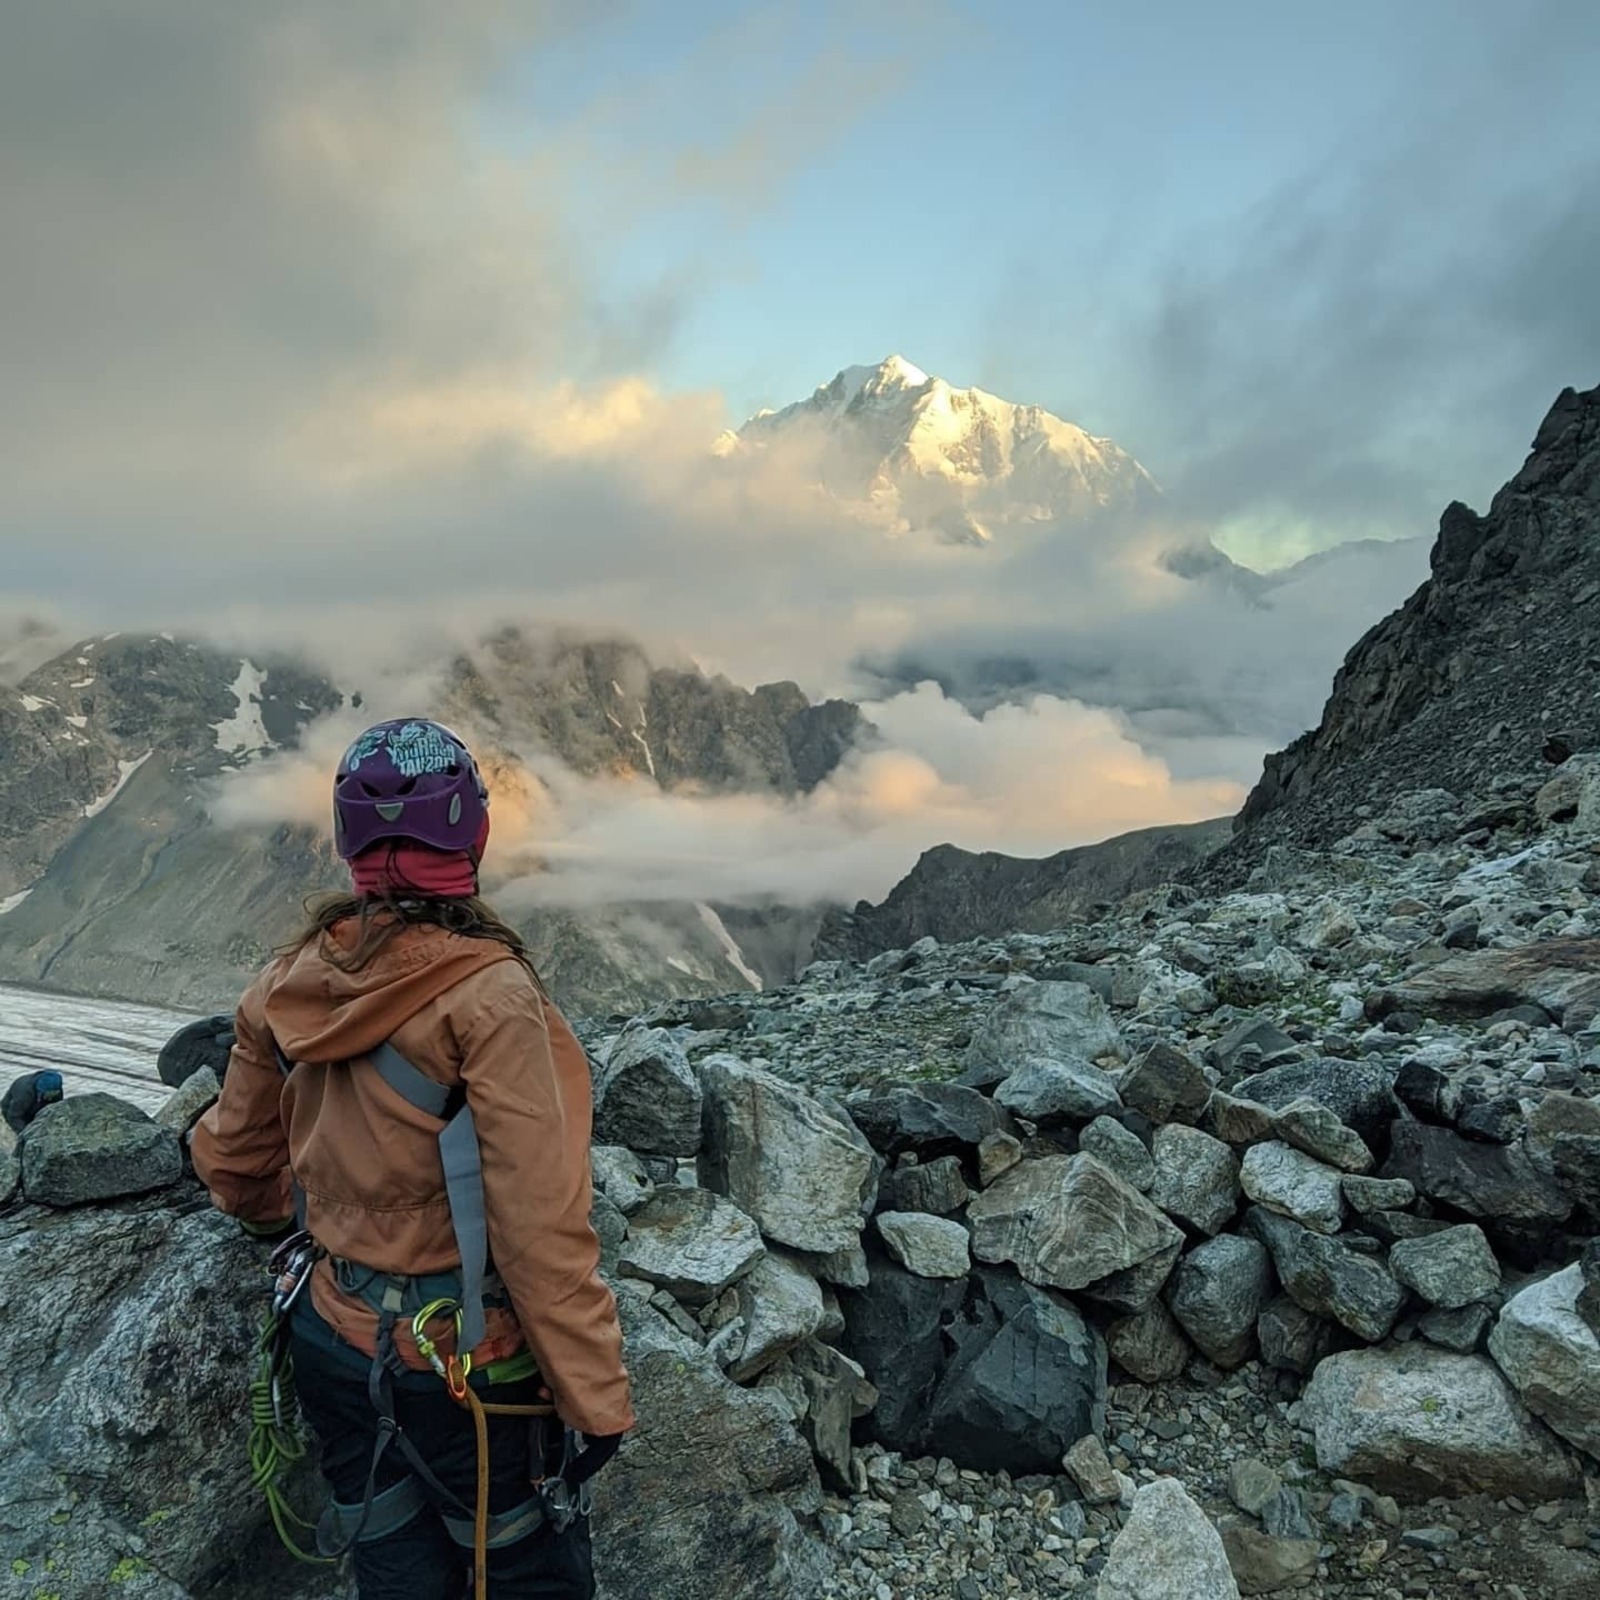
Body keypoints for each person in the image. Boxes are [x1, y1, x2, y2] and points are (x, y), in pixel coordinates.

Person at [191, 717, 631, 1600]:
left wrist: (308, 1230)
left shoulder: (284, 984)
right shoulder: (494, 998)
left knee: (391, 1562)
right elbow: (539, 1228)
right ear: (472, 832)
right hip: (468, 1369)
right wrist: (596, 1399)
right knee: (525, 1569)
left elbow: (236, 1169)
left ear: (349, 838)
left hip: (328, 1337)